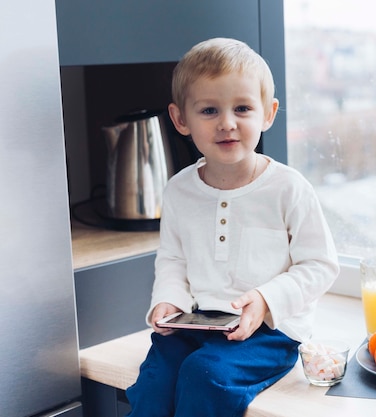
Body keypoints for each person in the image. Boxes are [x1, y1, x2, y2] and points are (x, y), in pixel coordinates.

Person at [125, 38, 339, 417]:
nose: (227, 123)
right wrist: (169, 299)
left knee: (205, 375)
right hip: (198, 322)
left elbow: (320, 266)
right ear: (180, 120)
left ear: (268, 113)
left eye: (242, 108)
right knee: (156, 377)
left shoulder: (289, 188)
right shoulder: (178, 189)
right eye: (209, 110)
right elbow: (173, 259)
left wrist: (265, 300)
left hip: (269, 334)